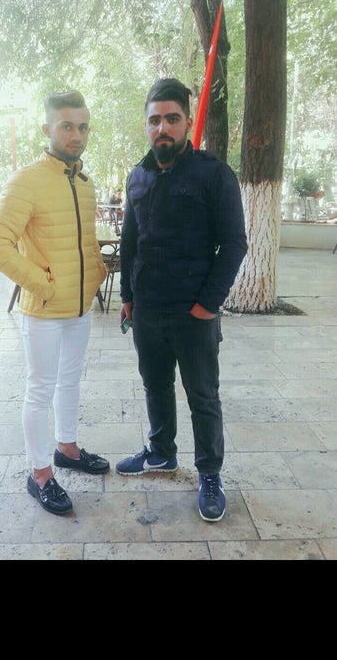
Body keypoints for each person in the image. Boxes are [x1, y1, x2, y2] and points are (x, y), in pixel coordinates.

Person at [116, 78, 248, 522]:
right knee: (155, 386)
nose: (163, 128)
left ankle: (209, 474)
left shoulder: (213, 174)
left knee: (203, 397)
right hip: (148, 311)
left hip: (194, 313)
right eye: (154, 120)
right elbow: (130, 241)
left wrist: (208, 305)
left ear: (188, 122)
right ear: (146, 125)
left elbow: (234, 244)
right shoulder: (137, 176)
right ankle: (160, 451)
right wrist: (128, 297)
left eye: (172, 118)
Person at [0, 90, 109, 516]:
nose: (76, 135)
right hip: (44, 310)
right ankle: (39, 474)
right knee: (40, 389)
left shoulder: (85, 183)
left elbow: (83, 240)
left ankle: (66, 449)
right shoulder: (26, 181)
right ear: (47, 129)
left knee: (70, 381)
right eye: (67, 126)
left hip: (79, 307)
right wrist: (45, 285)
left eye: (83, 126)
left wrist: (96, 272)